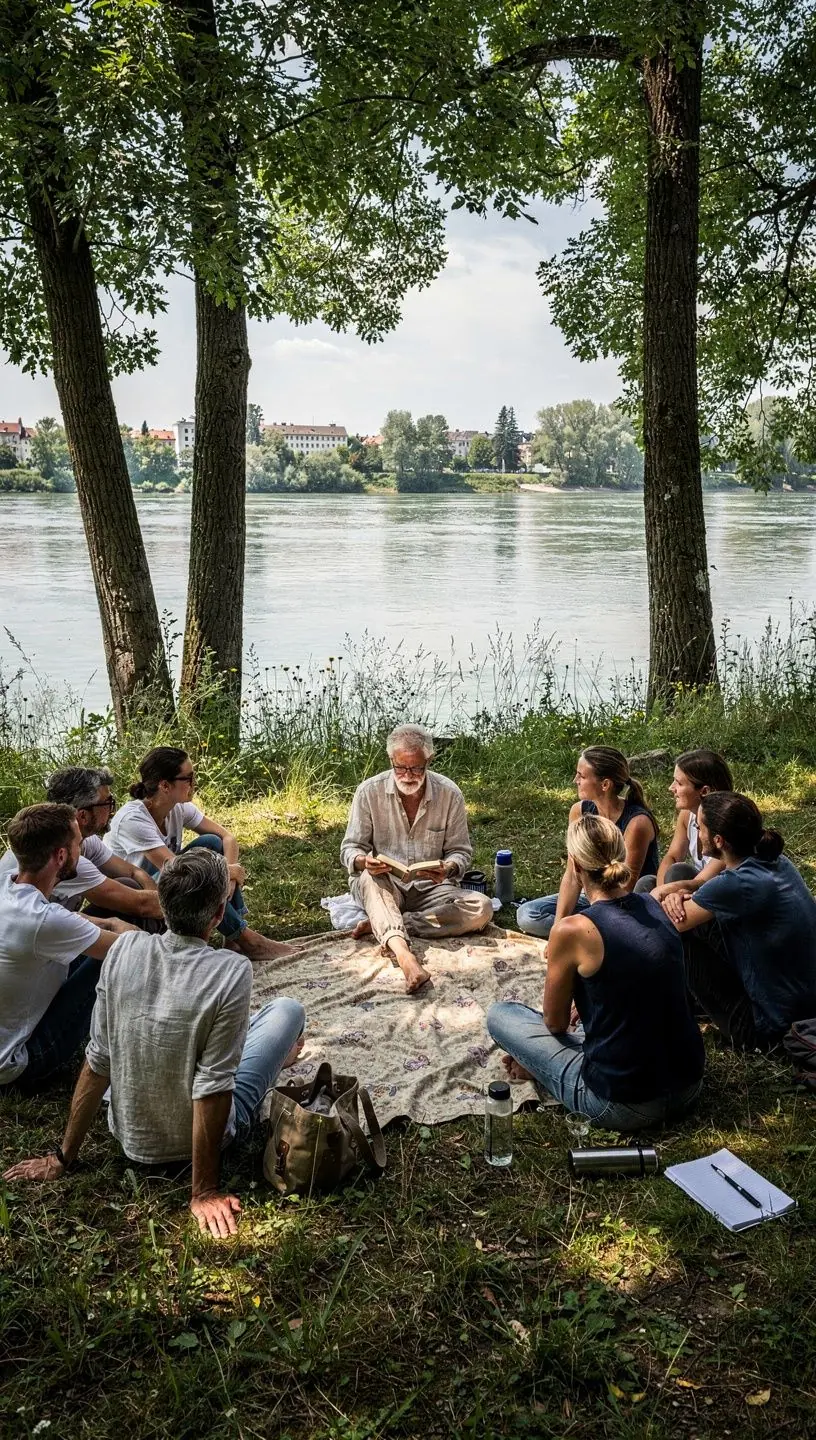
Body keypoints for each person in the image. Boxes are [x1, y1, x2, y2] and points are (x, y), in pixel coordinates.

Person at [3, 848, 305, 1238]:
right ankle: (268, 1063)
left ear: (161, 905)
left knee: (224, 1029)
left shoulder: (123, 950)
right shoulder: (233, 971)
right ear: (217, 916)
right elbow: (212, 1088)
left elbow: (98, 1062)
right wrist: (203, 1190)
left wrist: (63, 1157)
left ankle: (254, 1050)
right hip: (202, 1134)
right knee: (286, 1010)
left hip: (127, 1132)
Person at [487, 814, 705, 1129]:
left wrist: (537, 1055)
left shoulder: (574, 929)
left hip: (621, 1104)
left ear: (575, 865)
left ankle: (540, 1069)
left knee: (501, 1015)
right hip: (688, 1086)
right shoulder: (654, 906)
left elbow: (556, 1023)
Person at [340, 723, 492, 993]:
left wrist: (449, 867)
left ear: (429, 761)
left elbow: (461, 851)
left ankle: (390, 924)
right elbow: (350, 848)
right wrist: (365, 861)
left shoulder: (449, 794)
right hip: (385, 884)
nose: (408, 775)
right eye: (401, 767)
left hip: (430, 888)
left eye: (416, 768)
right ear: (391, 760)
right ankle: (405, 956)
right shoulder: (368, 792)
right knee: (370, 880)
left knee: (481, 908)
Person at [109, 746, 294, 962]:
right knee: (201, 870)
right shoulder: (133, 819)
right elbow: (177, 869)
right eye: (188, 777)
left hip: (169, 881)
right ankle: (247, 940)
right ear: (165, 785)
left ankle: (234, 940)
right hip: (140, 893)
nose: (194, 783)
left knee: (211, 843)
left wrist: (229, 879)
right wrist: (228, 872)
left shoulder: (178, 808)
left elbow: (228, 838)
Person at [663, 792, 816, 1049]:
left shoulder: (736, 883)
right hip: (801, 1009)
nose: (697, 833)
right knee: (693, 908)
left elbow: (667, 925)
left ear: (718, 840)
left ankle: (667, 1009)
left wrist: (666, 898)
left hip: (765, 1029)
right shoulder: (777, 861)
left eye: (700, 828)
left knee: (678, 940)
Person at [0, 804, 134, 1090]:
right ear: (61, 856)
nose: (82, 849)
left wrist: (109, 921)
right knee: (116, 958)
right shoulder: (44, 921)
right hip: (18, 1063)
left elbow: (68, 919)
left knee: (102, 935)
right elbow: (131, 949)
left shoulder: (9, 887)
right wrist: (123, 929)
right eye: (78, 843)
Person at [517, 746, 660, 939]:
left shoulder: (637, 823)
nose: (575, 781)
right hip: (591, 894)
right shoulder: (579, 811)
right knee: (527, 915)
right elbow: (571, 875)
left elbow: (625, 886)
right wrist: (558, 928)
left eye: (581, 776)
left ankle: (590, 934)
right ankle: (588, 934)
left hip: (626, 903)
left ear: (605, 784)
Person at [0, 766, 164, 927]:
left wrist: (154, 894)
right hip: (35, 941)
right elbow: (142, 905)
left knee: (129, 885)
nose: (112, 810)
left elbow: (134, 872)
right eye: (108, 803)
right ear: (83, 816)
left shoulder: (82, 841)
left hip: (48, 927)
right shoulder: (61, 857)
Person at [634, 749, 733, 900]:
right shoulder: (687, 816)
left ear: (704, 791)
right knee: (647, 882)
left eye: (679, 783)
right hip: (693, 889)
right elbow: (672, 856)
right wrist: (660, 890)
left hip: (716, 897)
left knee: (678, 872)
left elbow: (702, 881)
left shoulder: (726, 823)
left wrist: (665, 894)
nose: (671, 788)